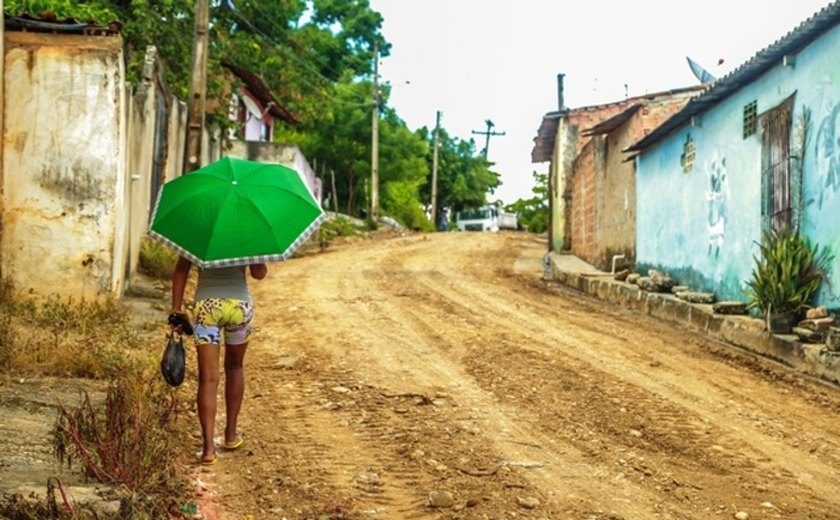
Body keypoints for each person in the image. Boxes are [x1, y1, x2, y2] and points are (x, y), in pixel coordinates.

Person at [169, 256, 267, 465]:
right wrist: (257, 254)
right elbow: (259, 274)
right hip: (240, 307)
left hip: (207, 307)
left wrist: (176, 310)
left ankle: (208, 449)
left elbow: (181, 270)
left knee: (208, 379)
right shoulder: (247, 238)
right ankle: (231, 435)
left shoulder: (198, 235)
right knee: (235, 367)